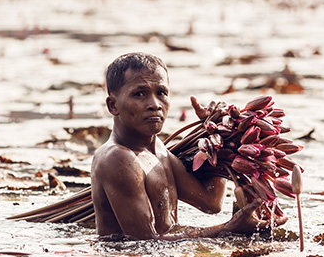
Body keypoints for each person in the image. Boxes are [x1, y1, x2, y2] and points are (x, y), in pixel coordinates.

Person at [91, 52, 287, 240]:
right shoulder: (118, 158)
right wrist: (230, 229)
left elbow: (211, 202)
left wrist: (220, 137)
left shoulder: (157, 150)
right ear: (112, 106)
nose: (155, 104)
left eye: (161, 93)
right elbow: (144, 242)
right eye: (139, 94)